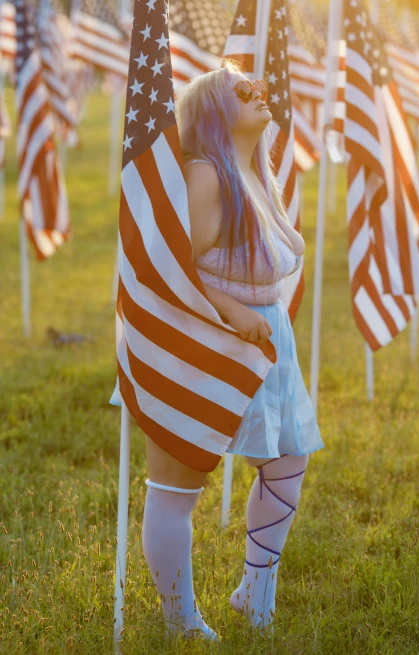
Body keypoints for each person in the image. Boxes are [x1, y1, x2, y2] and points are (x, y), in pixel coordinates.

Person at [128, 60, 324, 640]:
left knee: (288, 460)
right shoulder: (207, 175)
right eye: (246, 89)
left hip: (266, 343)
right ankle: (180, 622)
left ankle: (254, 593)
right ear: (216, 109)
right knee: (178, 483)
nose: (262, 92)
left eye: (260, 85)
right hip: (202, 337)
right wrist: (235, 312)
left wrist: (258, 315)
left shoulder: (255, 171)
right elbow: (169, 269)